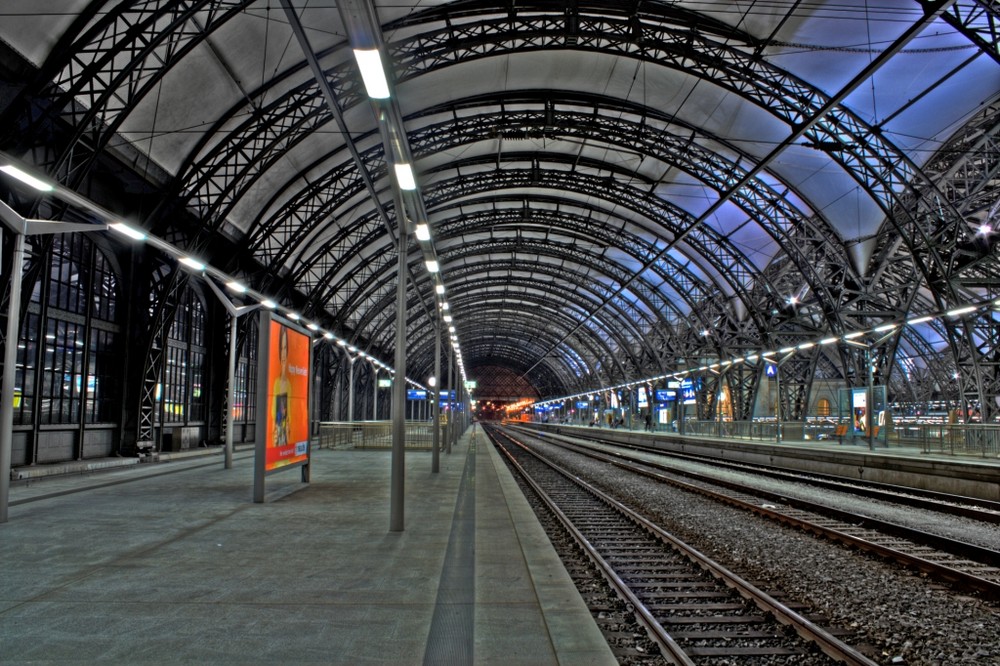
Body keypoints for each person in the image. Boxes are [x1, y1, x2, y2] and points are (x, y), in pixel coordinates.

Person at [272, 326, 292, 447]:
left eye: (285, 348)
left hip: (286, 432)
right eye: (281, 348)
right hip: (278, 431)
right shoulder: (275, 383)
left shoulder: (290, 384)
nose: (283, 352)